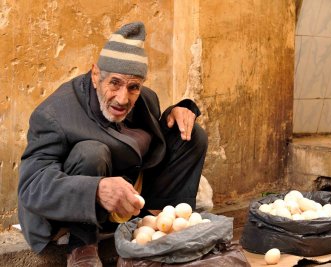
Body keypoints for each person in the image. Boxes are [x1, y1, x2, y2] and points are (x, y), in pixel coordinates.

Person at [17, 21, 208, 266]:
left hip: (130, 201)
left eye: (133, 87)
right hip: (79, 210)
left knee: (191, 135)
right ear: (96, 75)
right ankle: (82, 246)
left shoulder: (145, 100)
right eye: (115, 83)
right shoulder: (55, 114)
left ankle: (158, 226)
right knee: (91, 152)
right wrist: (95, 189)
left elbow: (152, 140)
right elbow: (31, 186)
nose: (122, 98)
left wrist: (178, 111)